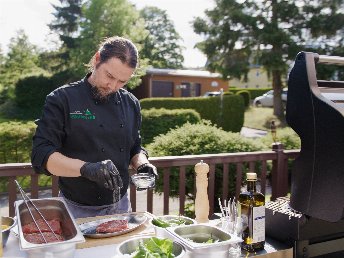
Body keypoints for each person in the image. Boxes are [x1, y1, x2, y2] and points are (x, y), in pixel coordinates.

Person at [31, 36, 158, 218]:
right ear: (97, 59)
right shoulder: (62, 99)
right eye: (109, 76)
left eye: (122, 81)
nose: (113, 86)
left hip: (121, 206)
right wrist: (86, 168)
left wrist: (142, 164)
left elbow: (134, 147)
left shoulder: (131, 103)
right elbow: (41, 155)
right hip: (75, 209)